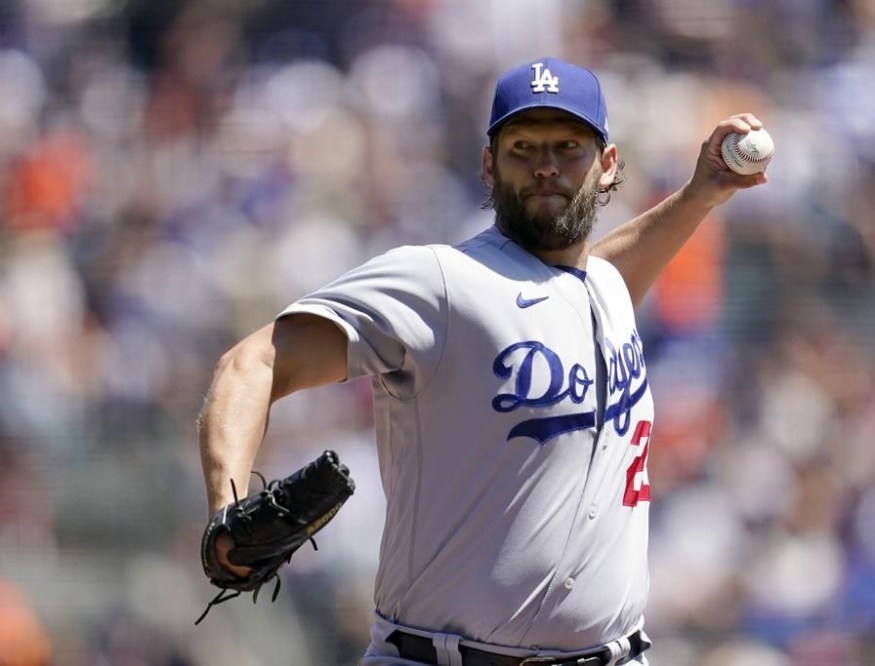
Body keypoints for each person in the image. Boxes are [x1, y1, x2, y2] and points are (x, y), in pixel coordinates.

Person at [198, 56, 767, 665]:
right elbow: (252, 363)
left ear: (607, 167)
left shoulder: (598, 289)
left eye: (568, 147)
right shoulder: (442, 283)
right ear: (489, 166)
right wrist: (226, 511)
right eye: (523, 147)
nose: (546, 165)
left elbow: (591, 281)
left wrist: (700, 194)